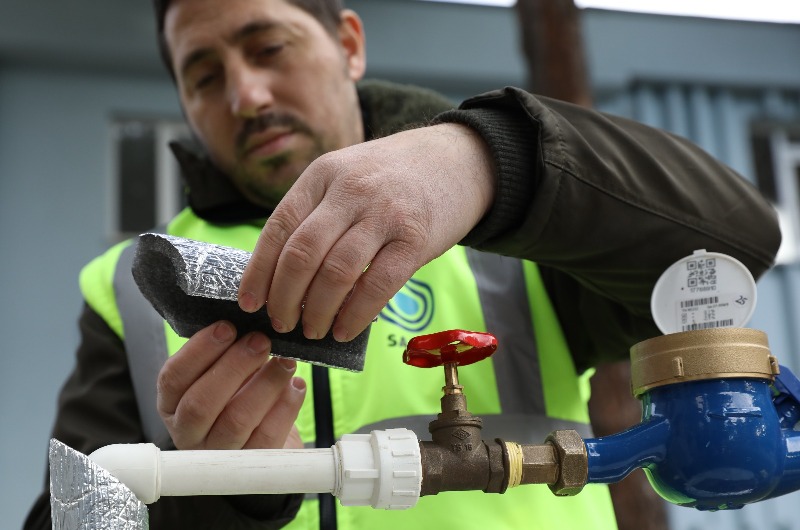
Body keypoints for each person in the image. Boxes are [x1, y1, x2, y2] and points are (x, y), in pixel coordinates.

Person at [25, 0, 781, 528]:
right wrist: (224, 499)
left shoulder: (508, 228)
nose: (246, 94)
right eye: (204, 75)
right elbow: (71, 516)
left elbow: (732, 246)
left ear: (350, 44)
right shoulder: (129, 284)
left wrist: (490, 161)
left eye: (267, 47)